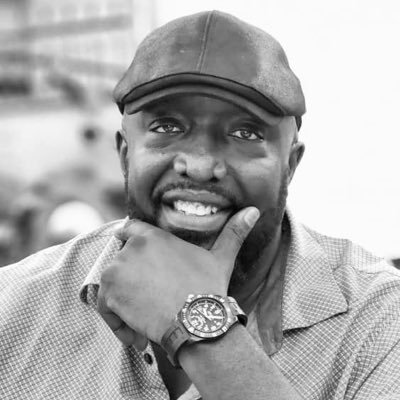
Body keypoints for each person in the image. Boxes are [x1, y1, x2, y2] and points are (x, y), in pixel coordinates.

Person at [0, 10, 399, 400]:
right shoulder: (13, 307)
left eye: (245, 133)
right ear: (125, 154)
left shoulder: (381, 321)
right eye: (167, 127)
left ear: (289, 166)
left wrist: (198, 327)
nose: (201, 166)